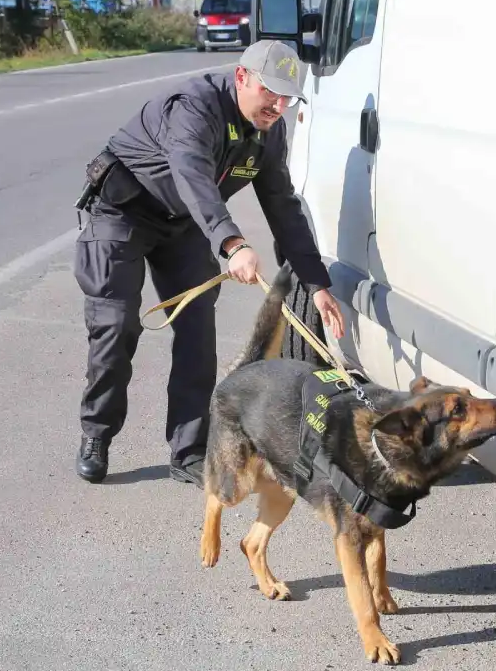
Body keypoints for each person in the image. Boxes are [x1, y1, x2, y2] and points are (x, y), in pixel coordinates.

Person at [72, 39, 346, 486]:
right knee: (116, 324)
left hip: (184, 226)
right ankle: (97, 433)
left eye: (286, 97)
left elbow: (281, 204)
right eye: (269, 92)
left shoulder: (268, 128)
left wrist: (316, 282)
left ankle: (189, 451)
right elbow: (192, 176)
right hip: (124, 214)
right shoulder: (194, 107)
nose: (277, 105)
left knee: (199, 332)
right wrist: (232, 243)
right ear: (242, 78)